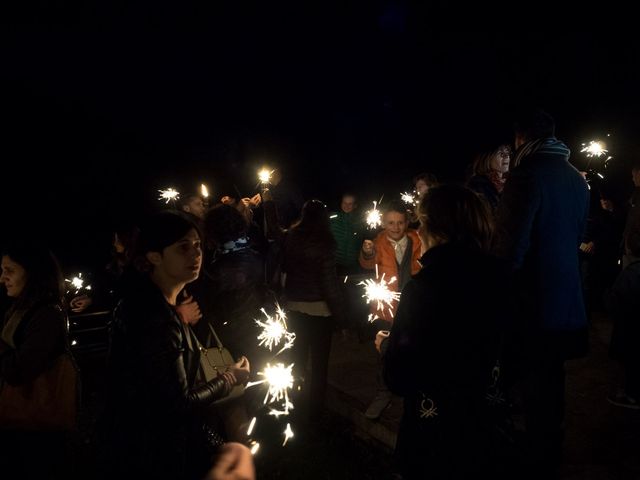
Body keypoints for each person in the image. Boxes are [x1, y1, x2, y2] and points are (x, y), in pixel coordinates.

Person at [103, 211, 250, 480]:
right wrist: (229, 378)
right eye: (183, 247)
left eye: (197, 245)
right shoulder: (153, 317)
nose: (196, 254)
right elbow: (176, 403)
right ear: (153, 256)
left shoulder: (156, 306)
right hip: (152, 454)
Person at [380, 184, 512, 479]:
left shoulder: (424, 287)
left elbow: (399, 376)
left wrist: (386, 347)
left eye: (421, 223)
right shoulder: (504, 278)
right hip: (488, 431)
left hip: (434, 437)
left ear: (434, 229)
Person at [494, 108, 590, 473]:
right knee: (553, 377)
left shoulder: (526, 175)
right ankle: (551, 447)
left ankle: (536, 456)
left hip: (532, 300)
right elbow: (578, 234)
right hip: (566, 295)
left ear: (522, 139)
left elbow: (509, 247)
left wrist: (496, 289)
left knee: (530, 379)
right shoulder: (575, 178)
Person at [264, 194, 345, 422]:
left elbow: (274, 232)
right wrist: (342, 317)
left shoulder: (291, 236)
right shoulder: (326, 242)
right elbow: (330, 284)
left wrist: (269, 203)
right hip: (320, 311)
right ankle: (314, 414)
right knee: (319, 365)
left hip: (295, 307)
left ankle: (293, 407)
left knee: (296, 360)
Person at [0, 241, 72, 480]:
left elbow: (18, 370)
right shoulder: (21, 308)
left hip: (36, 430)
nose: (2, 279)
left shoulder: (47, 315)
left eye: (9, 271)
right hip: (19, 424)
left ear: (33, 272)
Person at [359, 201, 422, 419]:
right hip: (385, 308)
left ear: (407, 222)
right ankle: (383, 394)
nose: (395, 227)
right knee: (384, 351)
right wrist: (367, 253)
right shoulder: (378, 242)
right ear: (384, 223)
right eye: (391, 223)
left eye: (400, 222)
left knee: (412, 351)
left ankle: (410, 396)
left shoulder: (418, 239)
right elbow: (367, 265)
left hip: (412, 307)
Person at [606, 215, 640, 409]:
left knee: (630, 361)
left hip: (628, 328)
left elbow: (615, 301)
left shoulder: (631, 274)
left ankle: (631, 395)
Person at [467, 144, 511, 211]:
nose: (506, 156)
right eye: (500, 153)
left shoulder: (511, 182)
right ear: (487, 158)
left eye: (508, 152)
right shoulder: (478, 185)